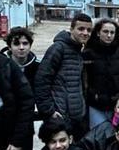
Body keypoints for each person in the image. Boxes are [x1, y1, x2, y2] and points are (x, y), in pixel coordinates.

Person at [34, 12, 92, 140]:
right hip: (60, 117)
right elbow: (41, 81)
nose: (85, 33)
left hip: (77, 118)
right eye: (81, 29)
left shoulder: (78, 51)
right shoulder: (58, 48)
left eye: (89, 30)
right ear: (71, 29)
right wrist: (49, 111)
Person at [83, 18, 119, 128]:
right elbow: (83, 80)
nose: (109, 35)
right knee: (99, 137)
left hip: (118, 106)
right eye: (105, 32)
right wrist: (92, 96)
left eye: (112, 32)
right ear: (98, 33)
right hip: (96, 106)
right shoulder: (87, 54)